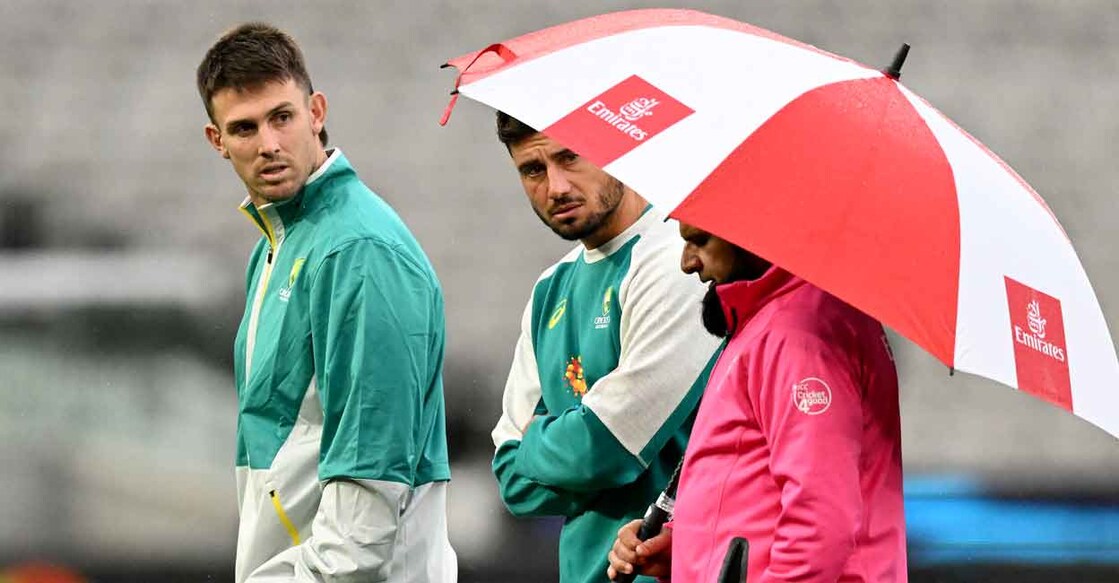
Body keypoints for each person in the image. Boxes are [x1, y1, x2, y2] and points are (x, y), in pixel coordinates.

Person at [196, 23, 456, 582]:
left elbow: (373, 470)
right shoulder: (278, 243)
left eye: (281, 117)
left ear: (316, 111)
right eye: (244, 128)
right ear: (217, 141)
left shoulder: (358, 250)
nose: (267, 144)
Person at [490, 113, 724, 583]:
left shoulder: (677, 261)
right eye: (532, 170)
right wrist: (582, 454)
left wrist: (538, 440)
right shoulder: (549, 289)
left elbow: (606, 449)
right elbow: (510, 480)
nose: (555, 186)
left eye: (569, 157)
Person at [608, 224, 907, 582]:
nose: (687, 263)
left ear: (749, 234)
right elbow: (755, 489)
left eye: (700, 241)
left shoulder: (799, 334)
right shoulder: (775, 321)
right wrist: (685, 547)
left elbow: (819, 521)